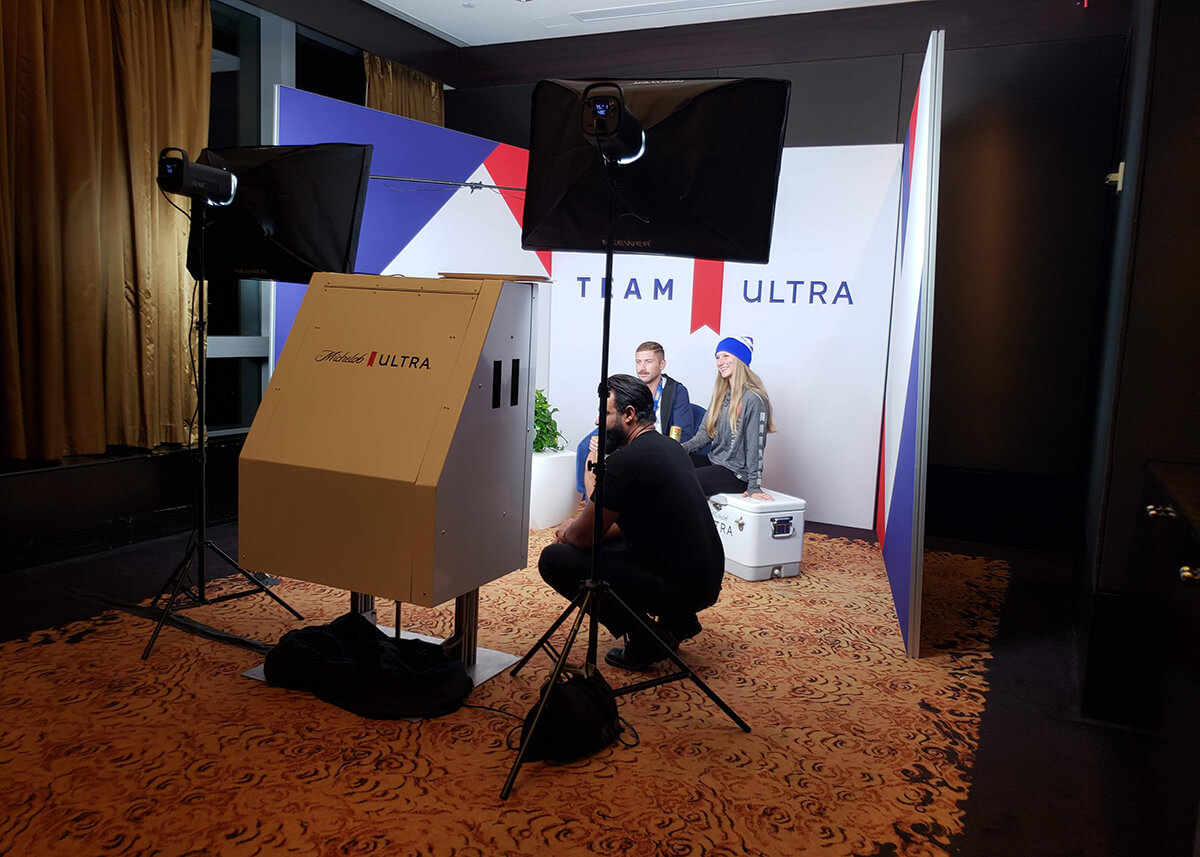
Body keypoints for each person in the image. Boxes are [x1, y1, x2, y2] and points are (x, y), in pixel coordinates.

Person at [541, 374, 724, 671]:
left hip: (681, 588)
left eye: (605, 413)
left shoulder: (625, 463)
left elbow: (583, 537)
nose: (597, 421)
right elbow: (625, 524)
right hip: (706, 579)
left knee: (554, 559)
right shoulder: (670, 448)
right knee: (612, 541)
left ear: (628, 414)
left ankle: (646, 639)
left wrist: (566, 529)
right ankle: (679, 622)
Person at [579, 341, 696, 497]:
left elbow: (684, 434)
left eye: (648, 362)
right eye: (638, 362)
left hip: (655, 443)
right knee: (587, 448)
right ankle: (588, 501)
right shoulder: (632, 389)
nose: (642, 368)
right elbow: (620, 421)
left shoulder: (676, 391)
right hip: (630, 439)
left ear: (662, 365)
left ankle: (599, 505)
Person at [682, 335, 776, 501]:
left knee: (683, 480)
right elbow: (705, 433)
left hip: (736, 473)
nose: (720, 362)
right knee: (670, 466)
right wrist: (678, 449)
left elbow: (755, 446)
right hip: (714, 461)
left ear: (740, 359)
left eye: (726, 356)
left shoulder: (753, 399)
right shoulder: (721, 393)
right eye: (717, 357)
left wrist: (754, 485)